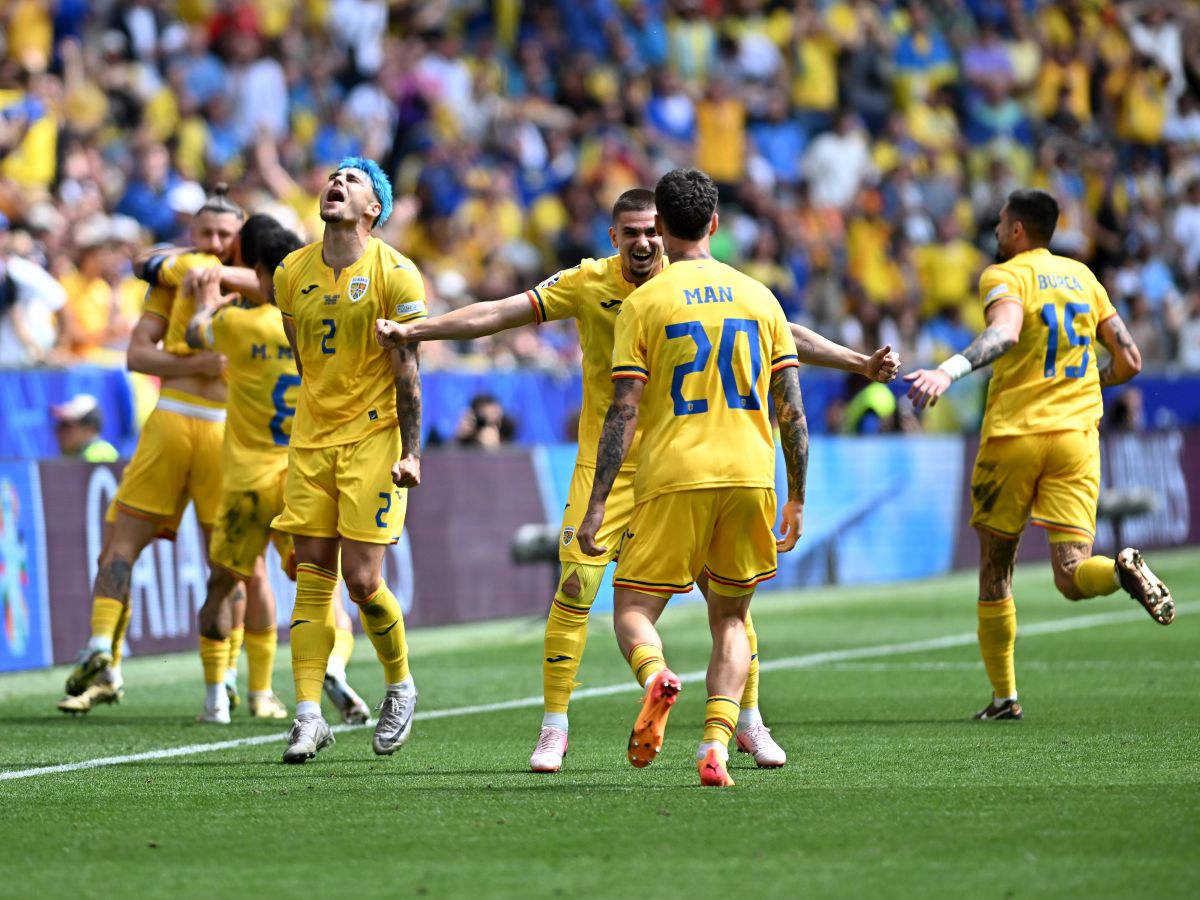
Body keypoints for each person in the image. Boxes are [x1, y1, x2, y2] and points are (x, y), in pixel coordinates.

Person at [377, 188, 898, 774]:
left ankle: (749, 722)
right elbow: (500, 311)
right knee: (575, 593)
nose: (645, 242)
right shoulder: (588, 283)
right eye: (632, 233)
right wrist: (420, 332)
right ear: (614, 237)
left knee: (725, 602)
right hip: (609, 467)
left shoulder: (682, 291)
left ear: (666, 231)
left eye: (653, 231)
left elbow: (785, 333)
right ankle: (555, 729)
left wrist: (855, 362)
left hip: (674, 466)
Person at [574, 167, 809, 787]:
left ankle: (656, 676)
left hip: (674, 474)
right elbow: (792, 410)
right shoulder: (761, 297)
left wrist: (597, 505)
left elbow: (623, 409)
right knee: (732, 620)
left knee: (631, 609)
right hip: (750, 475)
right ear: (713, 225)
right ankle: (716, 745)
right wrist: (798, 497)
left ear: (664, 229)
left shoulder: (645, 302)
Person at [904, 188, 1175, 722]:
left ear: (1018, 230)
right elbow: (1131, 359)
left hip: (1015, 437)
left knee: (995, 571)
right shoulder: (1085, 278)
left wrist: (947, 371)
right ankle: (1122, 573)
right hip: (1076, 437)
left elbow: (1003, 333)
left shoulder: (1004, 274)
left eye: (1002, 223)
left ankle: (1005, 697)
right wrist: (1084, 385)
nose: (998, 230)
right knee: (1072, 575)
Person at [57, 185, 239, 715]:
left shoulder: (261, 284)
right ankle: (102, 657)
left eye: (224, 235)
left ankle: (227, 685)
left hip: (230, 431)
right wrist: (194, 366)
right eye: (203, 233)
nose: (213, 244)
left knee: (228, 564)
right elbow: (137, 355)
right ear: (191, 234)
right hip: (172, 419)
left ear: (240, 236)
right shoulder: (171, 279)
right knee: (119, 541)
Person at [185, 222, 373, 726]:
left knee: (224, 586)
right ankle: (332, 667)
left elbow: (192, 333)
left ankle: (215, 698)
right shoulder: (311, 322)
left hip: (246, 480)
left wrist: (209, 299)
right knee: (322, 587)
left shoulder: (237, 326)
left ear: (253, 269)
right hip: (300, 476)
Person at [274, 157, 425, 764]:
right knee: (311, 576)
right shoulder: (290, 272)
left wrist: (411, 452)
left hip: (374, 439)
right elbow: (302, 352)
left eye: (353, 180)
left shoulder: (398, 274)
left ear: (374, 209)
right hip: (311, 440)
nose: (336, 183)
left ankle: (400, 684)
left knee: (363, 581)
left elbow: (409, 375)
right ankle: (308, 714)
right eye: (332, 177)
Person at [51, 394, 119, 462]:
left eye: (66, 425)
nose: (58, 431)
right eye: (59, 425)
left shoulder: (101, 454)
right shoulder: (73, 455)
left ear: (89, 429)